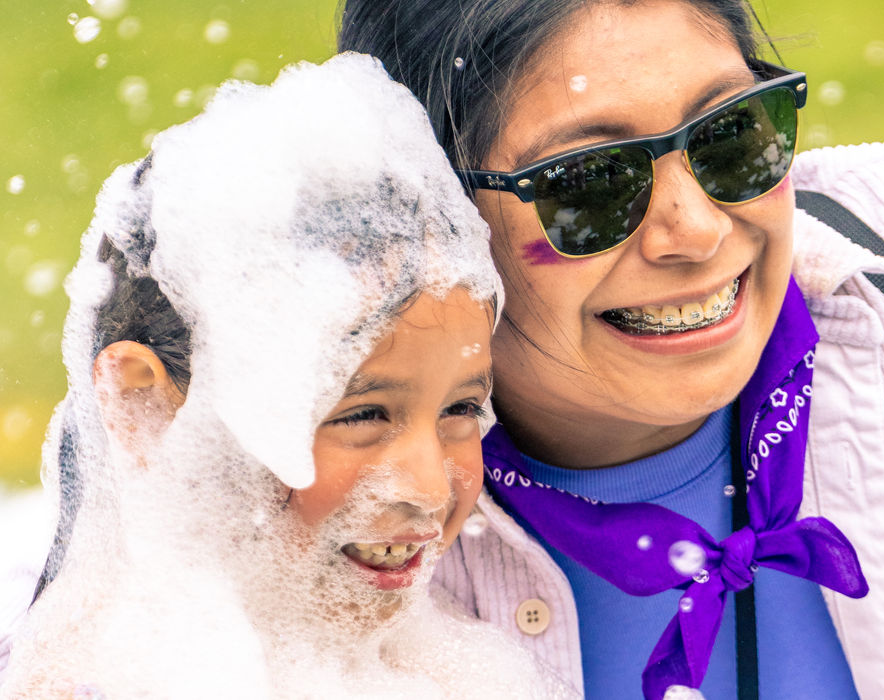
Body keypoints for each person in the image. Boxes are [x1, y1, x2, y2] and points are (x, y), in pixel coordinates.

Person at [338, 1, 884, 698]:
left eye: (732, 135)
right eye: (589, 184)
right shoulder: (319, 492)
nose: (694, 231)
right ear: (435, 213)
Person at [0, 53, 559, 699]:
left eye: (461, 408)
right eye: (362, 413)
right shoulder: (91, 681)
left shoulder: (457, 663)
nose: (431, 488)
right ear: (143, 406)